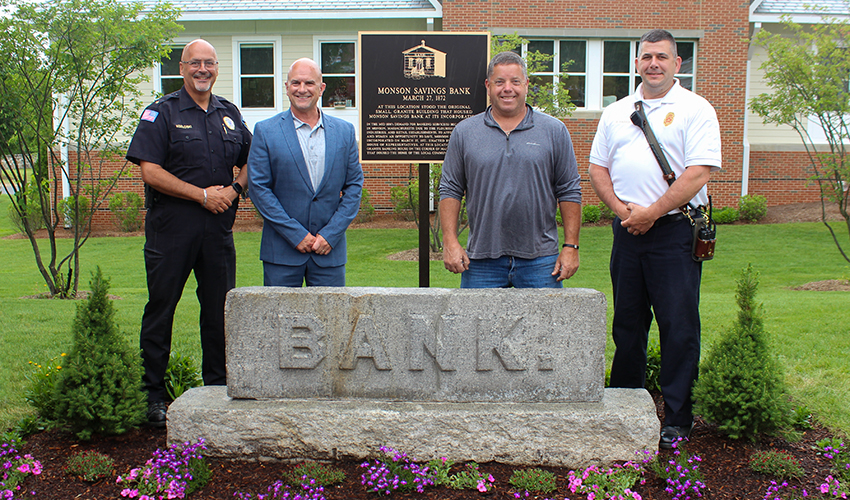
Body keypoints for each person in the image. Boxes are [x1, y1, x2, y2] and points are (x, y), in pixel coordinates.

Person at [588, 29, 722, 448]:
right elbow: (597, 168)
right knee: (627, 325)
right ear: (636, 63)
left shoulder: (696, 109)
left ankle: (677, 419)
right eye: (646, 56)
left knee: (678, 327)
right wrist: (622, 210)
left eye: (662, 57)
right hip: (627, 231)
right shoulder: (617, 111)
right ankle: (626, 407)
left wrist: (652, 212)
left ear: (677, 64)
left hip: (675, 234)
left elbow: (699, 172)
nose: (653, 64)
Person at [126, 39, 252, 427]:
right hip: (172, 231)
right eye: (194, 63)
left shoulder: (228, 114)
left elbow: (253, 160)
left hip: (217, 232)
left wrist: (234, 191)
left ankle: (216, 387)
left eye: (209, 63)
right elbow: (150, 170)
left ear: (217, 69)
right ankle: (153, 395)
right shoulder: (161, 112)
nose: (202, 70)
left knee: (218, 312)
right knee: (161, 309)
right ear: (182, 68)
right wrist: (200, 195)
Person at [439, 51, 582, 288]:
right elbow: (451, 188)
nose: (508, 89)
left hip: (541, 260)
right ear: (488, 86)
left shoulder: (554, 131)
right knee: (476, 326)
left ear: (526, 84)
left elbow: (569, 190)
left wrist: (571, 247)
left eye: (515, 81)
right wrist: (450, 241)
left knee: (543, 325)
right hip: (481, 261)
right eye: (499, 82)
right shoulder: (465, 132)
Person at [248, 58, 363, 287]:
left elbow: (354, 187)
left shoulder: (344, 132)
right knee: (279, 320)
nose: (302, 89)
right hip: (281, 254)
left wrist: (331, 234)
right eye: (295, 83)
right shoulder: (265, 131)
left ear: (321, 88)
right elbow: (259, 189)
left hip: (328, 253)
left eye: (309, 83)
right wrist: (295, 234)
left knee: (331, 320)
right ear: (287, 87)